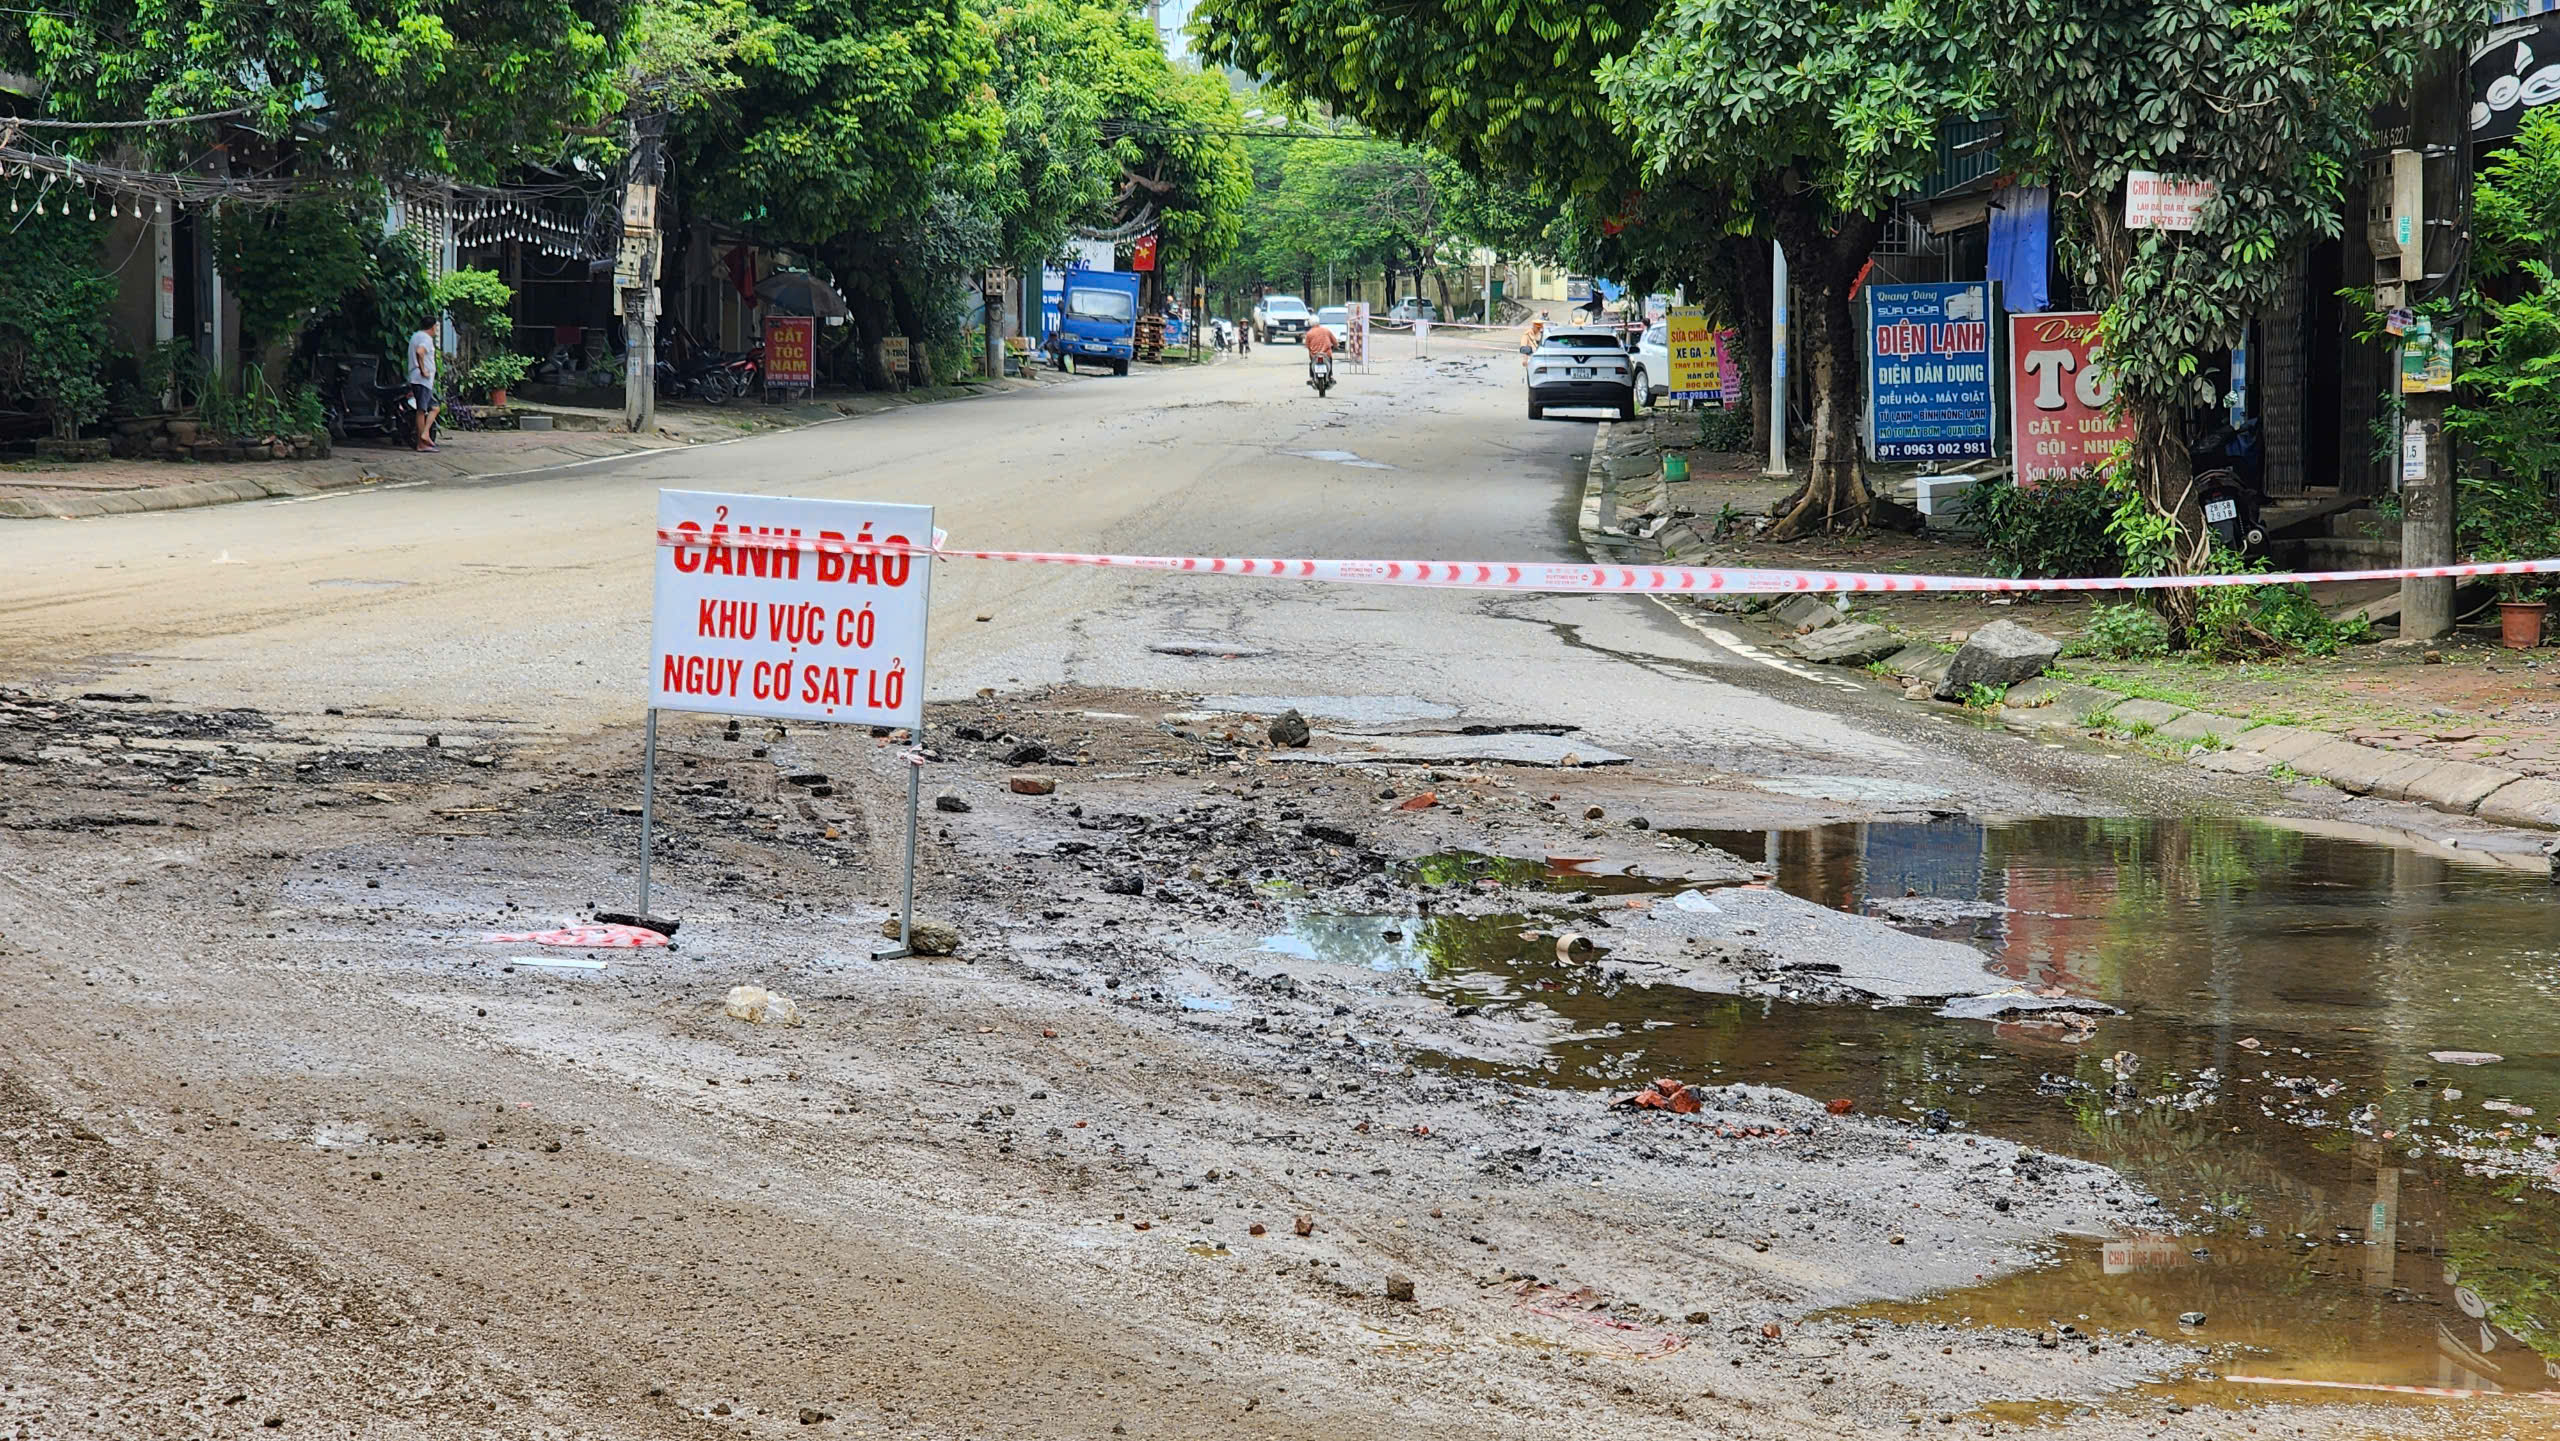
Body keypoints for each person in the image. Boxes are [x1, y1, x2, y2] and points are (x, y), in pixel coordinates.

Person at [406, 322, 442, 452]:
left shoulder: (416, 336)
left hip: (419, 380)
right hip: (422, 380)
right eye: (436, 327)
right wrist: (423, 370)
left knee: (434, 407)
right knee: (421, 409)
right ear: (432, 327)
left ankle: (425, 433)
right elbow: (420, 352)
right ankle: (421, 443)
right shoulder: (426, 338)